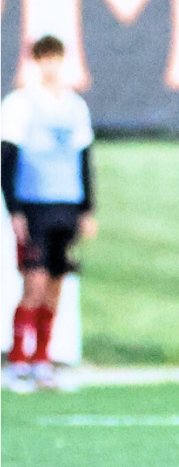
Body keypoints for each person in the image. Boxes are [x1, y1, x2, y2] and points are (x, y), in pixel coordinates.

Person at [1, 35, 97, 392]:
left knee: (56, 283)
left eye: (55, 58)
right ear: (36, 62)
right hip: (34, 204)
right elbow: (7, 158)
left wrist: (87, 208)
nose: (51, 65)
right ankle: (17, 361)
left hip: (65, 204)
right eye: (44, 58)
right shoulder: (20, 105)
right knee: (34, 283)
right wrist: (14, 209)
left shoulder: (74, 106)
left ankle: (42, 359)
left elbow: (84, 159)